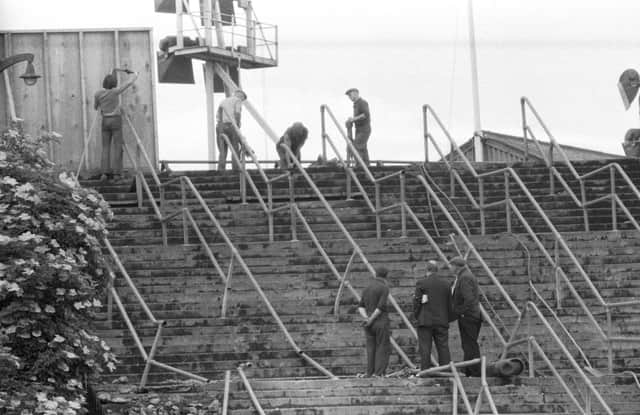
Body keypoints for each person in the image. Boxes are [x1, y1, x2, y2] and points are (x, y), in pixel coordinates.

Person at [94, 68, 138, 180]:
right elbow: (128, 83)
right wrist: (135, 74)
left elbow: (95, 107)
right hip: (115, 120)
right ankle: (117, 173)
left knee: (105, 147)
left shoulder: (98, 93)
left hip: (105, 121)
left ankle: (104, 173)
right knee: (117, 146)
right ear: (114, 84)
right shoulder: (115, 92)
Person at [413, 260, 453, 371]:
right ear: (437, 270)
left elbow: (417, 302)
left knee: (425, 348)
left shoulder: (421, 283)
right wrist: (447, 318)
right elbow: (450, 304)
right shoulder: (446, 284)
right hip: (442, 320)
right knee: (443, 347)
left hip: (425, 320)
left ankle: (426, 371)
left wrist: (416, 316)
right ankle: (445, 371)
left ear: (427, 270)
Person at [450, 256, 482, 377]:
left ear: (456, 267)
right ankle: (469, 370)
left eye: (451, 266)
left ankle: (475, 371)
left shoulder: (464, 278)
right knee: (468, 344)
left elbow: (469, 298)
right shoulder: (465, 276)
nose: (450, 268)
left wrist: (459, 311)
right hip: (471, 315)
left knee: (470, 344)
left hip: (468, 316)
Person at [357, 266, 391, 377]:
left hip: (368, 324)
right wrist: (371, 319)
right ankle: (378, 372)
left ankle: (369, 372)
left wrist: (366, 318)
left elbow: (360, 307)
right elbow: (380, 307)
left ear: (375, 275)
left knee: (371, 348)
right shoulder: (384, 288)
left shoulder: (367, 288)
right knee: (382, 346)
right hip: (380, 322)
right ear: (386, 276)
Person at [216, 89, 247, 171]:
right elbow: (237, 113)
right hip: (231, 126)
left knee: (222, 150)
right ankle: (235, 169)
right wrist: (237, 125)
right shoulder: (237, 100)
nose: (242, 101)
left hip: (220, 126)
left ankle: (221, 170)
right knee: (235, 149)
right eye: (243, 99)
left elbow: (218, 116)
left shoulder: (223, 101)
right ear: (240, 96)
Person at [345, 88, 371, 166]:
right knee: (362, 148)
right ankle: (366, 166)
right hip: (359, 129)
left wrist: (353, 119)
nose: (349, 97)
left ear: (356, 93)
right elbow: (360, 116)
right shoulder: (356, 104)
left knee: (356, 146)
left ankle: (360, 166)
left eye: (350, 95)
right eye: (349, 96)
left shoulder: (362, 103)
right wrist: (352, 119)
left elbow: (365, 115)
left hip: (364, 129)